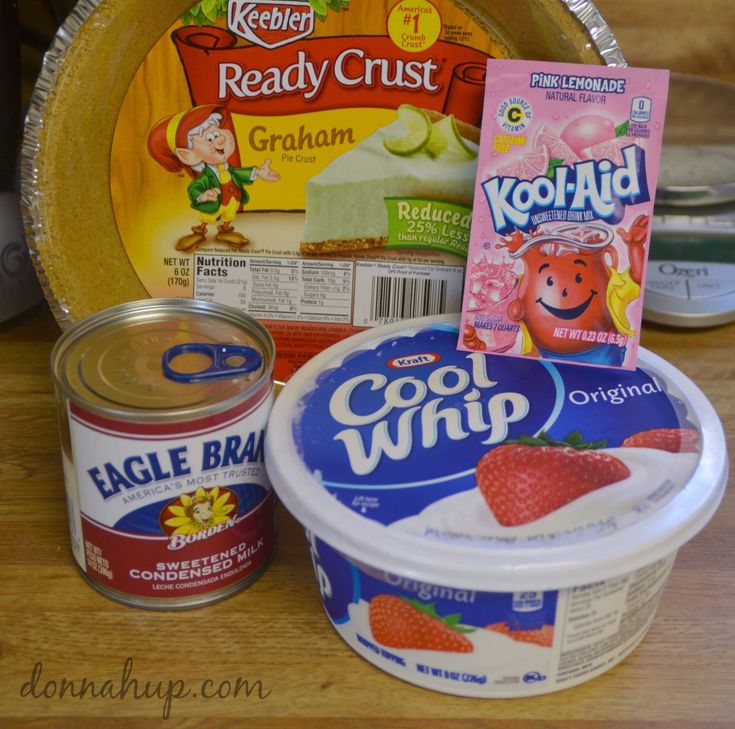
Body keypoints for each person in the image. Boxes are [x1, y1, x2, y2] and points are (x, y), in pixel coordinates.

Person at [148, 104, 279, 252]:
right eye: (210, 138)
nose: (220, 139)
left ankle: (225, 231)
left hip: (231, 201)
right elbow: (195, 188)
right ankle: (199, 232)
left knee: (229, 214)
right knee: (207, 217)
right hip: (214, 205)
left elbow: (237, 173)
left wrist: (258, 172)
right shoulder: (205, 176)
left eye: (217, 133)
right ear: (188, 155)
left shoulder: (227, 168)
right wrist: (202, 196)